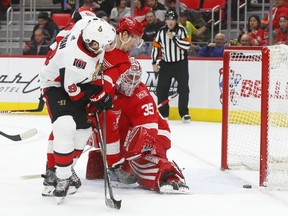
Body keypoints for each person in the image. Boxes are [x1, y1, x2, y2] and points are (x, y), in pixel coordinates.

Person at [39, 18, 116, 201]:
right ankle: (61, 178)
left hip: (74, 82)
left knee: (84, 130)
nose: (104, 48)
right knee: (65, 126)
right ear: (90, 42)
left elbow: (82, 14)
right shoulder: (76, 61)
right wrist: (98, 96)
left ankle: (63, 169)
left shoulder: (87, 25)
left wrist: (98, 91)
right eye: (100, 45)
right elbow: (73, 93)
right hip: (57, 85)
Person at [151, 10, 191, 123]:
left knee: (183, 89)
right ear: (165, 21)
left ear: (176, 20)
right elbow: (155, 47)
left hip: (181, 64)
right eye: (168, 19)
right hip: (166, 64)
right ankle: (164, 114)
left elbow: (187, 45)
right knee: (161, 90)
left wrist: (173, 38)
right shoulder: (161, 31)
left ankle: (184, 113)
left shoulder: (182, 30)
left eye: (173, 19)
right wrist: (154, 63)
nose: (170, 22)